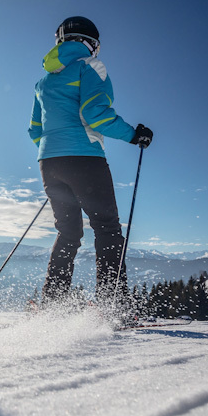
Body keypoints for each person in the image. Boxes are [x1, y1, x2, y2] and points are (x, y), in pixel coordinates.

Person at [27, 16, 153, 305]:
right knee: (107, 228)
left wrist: (56, 153)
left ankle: (53, 305)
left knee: (68, 232)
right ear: (90, 43)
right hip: (85, 158)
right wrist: (135, 135)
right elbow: (96, 114)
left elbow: (35, 130)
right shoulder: (90, 67)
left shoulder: (43, 82)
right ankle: (112, 307)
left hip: (49, 163)